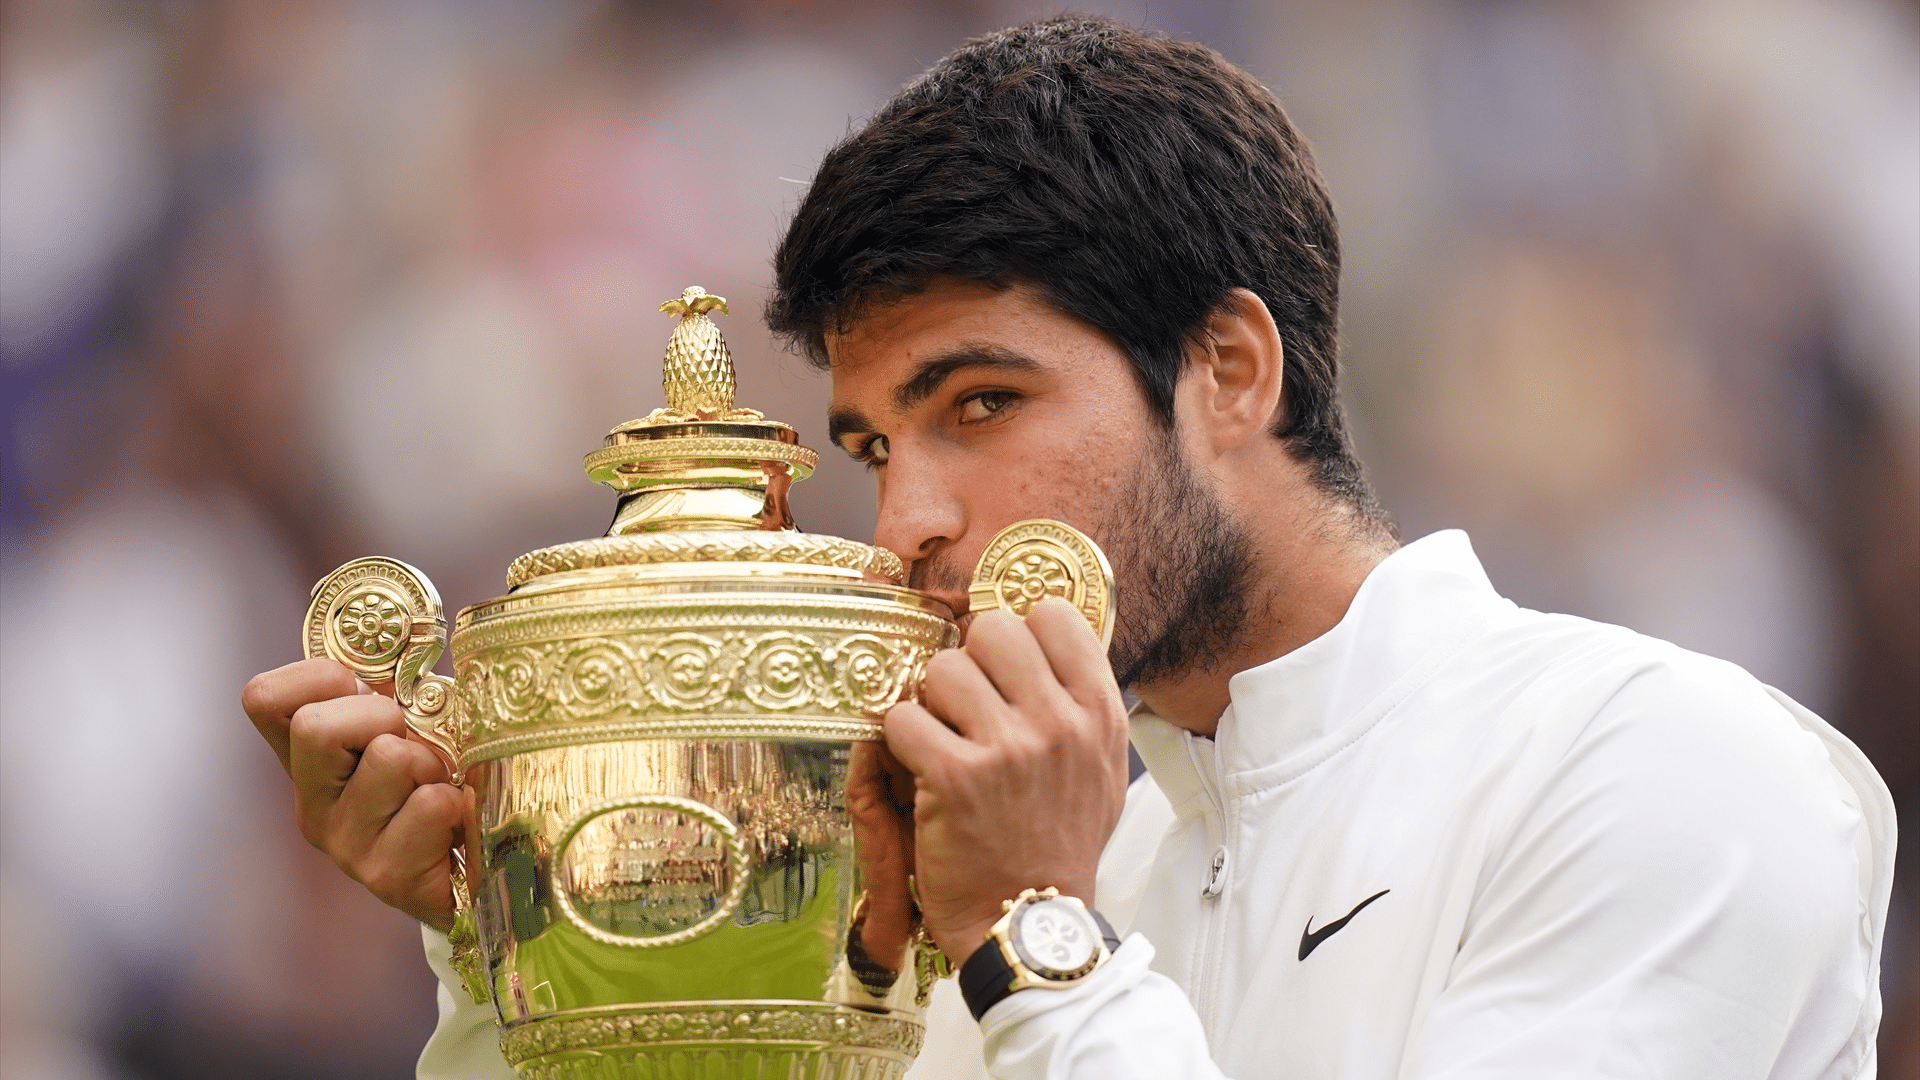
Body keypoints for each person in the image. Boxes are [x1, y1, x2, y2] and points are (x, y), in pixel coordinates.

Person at [242, 17, 1893, 1079]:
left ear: (1230, 371)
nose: (910, 523)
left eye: (982, 403)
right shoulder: (1010, 862)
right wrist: (516, 947)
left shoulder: (1666, 768)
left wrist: (1038, 942)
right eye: (880, 445)